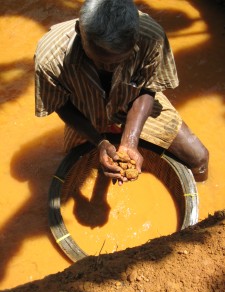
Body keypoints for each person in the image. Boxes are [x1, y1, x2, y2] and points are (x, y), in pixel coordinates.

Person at [34, 0, 209, 185]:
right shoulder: (50, 58)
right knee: (82, 171)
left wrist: (129, 140)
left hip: (135, 104)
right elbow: (61, 104)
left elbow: (148, 88)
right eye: (100, 60)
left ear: (135, 38)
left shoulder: (151, 38)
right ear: (79, 30)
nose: (110, 68)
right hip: (86, 116)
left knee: (200, 160)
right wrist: (99, 141)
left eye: (121, 60)